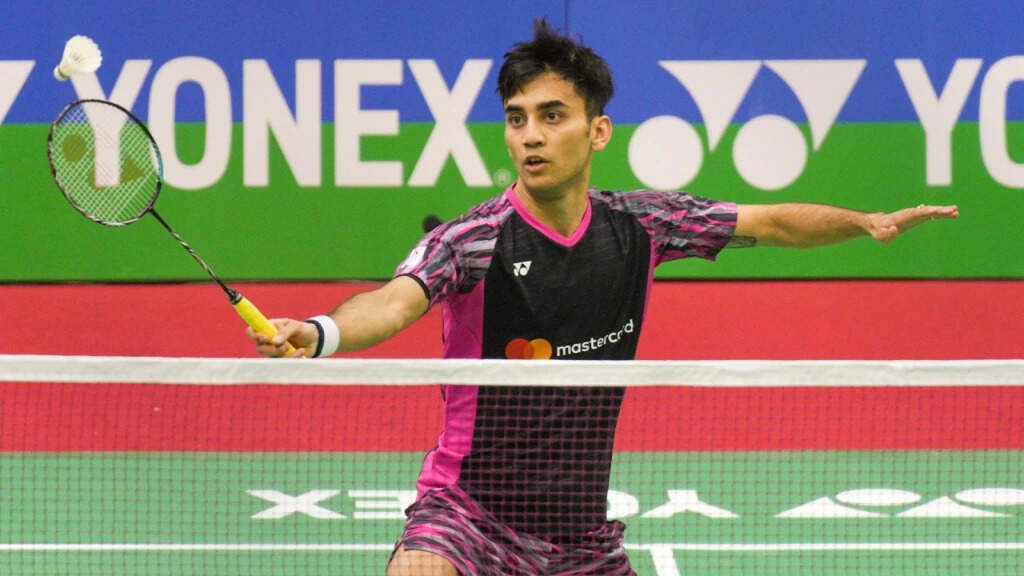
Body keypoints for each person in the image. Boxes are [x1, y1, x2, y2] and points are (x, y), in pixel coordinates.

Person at [249, 18, 958, 576]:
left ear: (597, 131)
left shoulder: (642, 226)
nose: (530, 136)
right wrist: (319, 332)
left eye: (552, 115)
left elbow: (769, 221)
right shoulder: (473, 239)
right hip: (466, 515)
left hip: (580, 537)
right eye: (517, 118)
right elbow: (392, 302)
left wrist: (865, 223)